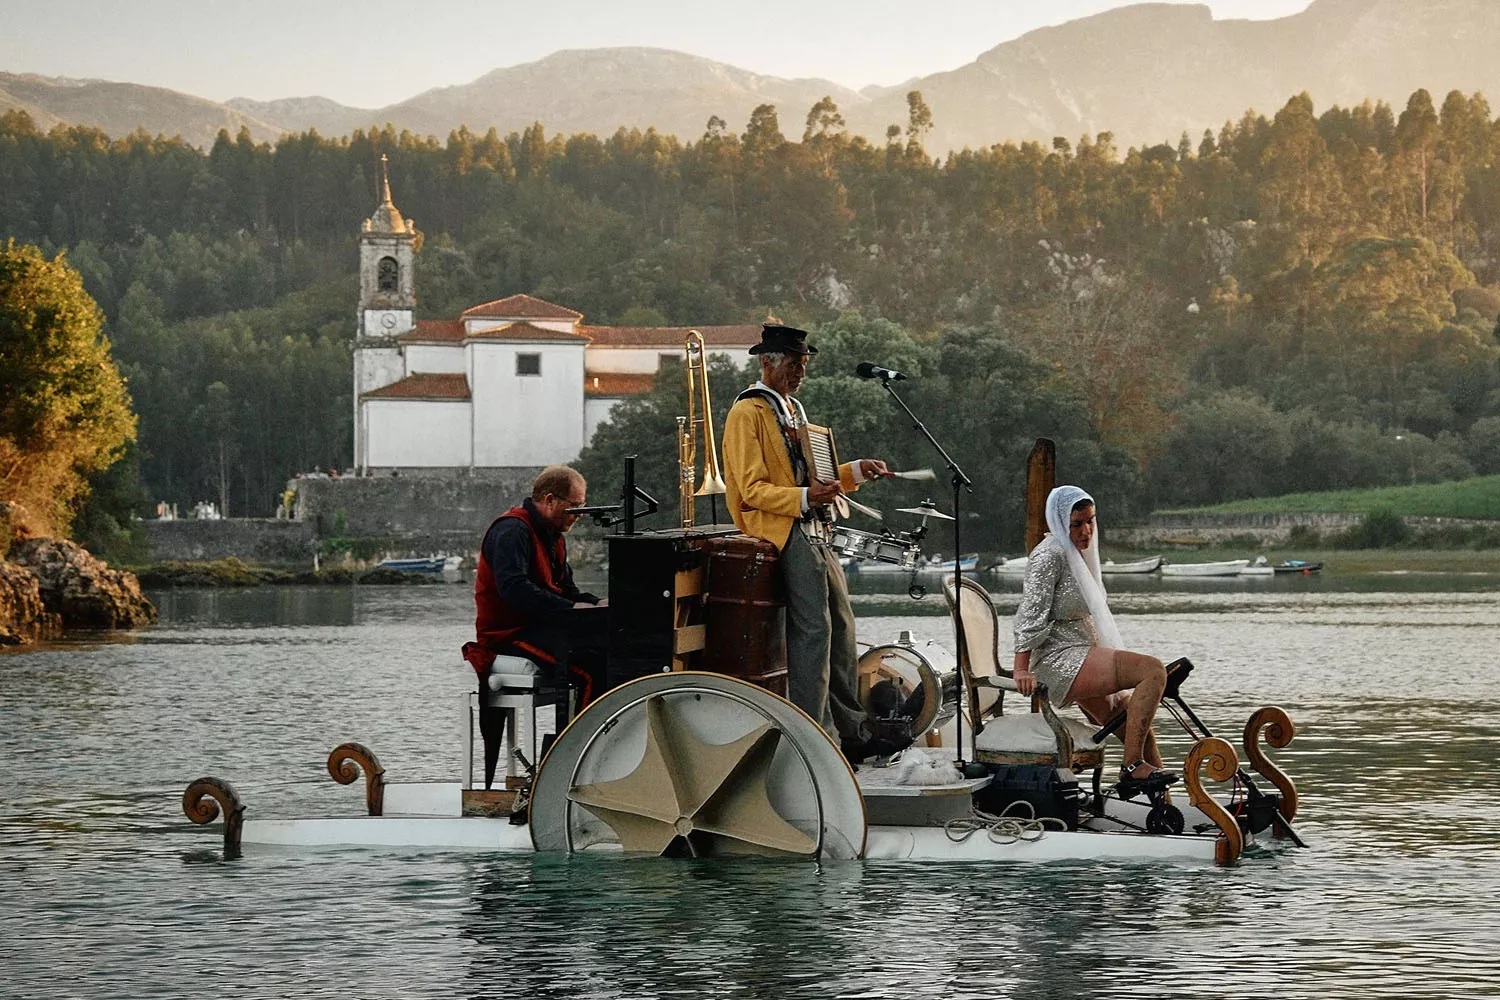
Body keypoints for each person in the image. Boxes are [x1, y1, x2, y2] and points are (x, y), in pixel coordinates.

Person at [721, 324, 891, 761]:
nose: (801, 372)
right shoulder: (748, 412)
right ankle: (816, 737)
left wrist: (854, 471)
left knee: (842, 627)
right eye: (795, 363)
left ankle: (852, 730)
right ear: (768, 362)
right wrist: (802, 498)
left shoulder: (793, 409)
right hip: (783, 529)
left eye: (804, 364)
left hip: (815, 526)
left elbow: (819, 477)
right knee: (814, 633)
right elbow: (749, 490)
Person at [1011, 485, 1178, 798]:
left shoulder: (1079, 553)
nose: (1086, 530)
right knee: (1153, 671)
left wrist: (1103, 651)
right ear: (1060, 523)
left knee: (1133, 724)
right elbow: (1029, 615)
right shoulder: (1049, 556)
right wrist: (1020, 668)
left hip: (1081, 651)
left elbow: (1085, 615)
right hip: (1056, 659)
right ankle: (1132, 769)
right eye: (1077, 524)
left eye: (1091, 521)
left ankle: (1165, 807)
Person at [464, 465, 608, 787]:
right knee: (591, 669)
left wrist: (597, 603)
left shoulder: (554, 538)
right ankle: (568, 767)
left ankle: (588, 761)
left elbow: (565, 591)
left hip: (539, 630)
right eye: (575, 507)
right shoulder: (512, 530)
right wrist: (573, 607)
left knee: (610, 651)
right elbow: (514, 590)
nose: (580, 514)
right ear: (549, 499)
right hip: (507, 636)